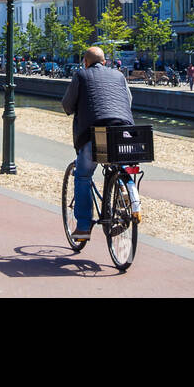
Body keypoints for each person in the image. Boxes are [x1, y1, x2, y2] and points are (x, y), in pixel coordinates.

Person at [61, 46, 141, 243]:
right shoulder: (119, 76)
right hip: (122, 132)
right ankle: (123, 188)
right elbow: (128, 100)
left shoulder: (81, 75)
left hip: (94, 134)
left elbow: (67, 105)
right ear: (105, 62)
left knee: (82, 175)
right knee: (118, 158)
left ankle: (83, 227)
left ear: (85, 63)